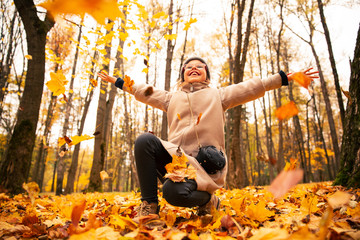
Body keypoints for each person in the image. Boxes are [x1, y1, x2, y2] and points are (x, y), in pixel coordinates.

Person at [98, 57, 318, 220]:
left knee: (172, 193)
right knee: (144, 140)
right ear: (183, 74)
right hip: (178, 163)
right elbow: (144, 91)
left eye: (199, 66)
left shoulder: (218, 95)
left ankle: (209, 200)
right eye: (188, 67)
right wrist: (119, 81)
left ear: (206, 74)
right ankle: (149, 209)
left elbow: (250, 88)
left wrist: (282, 78)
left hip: (205, 165)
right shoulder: (171, 98)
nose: (193, 68)